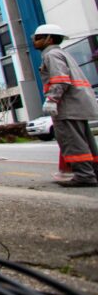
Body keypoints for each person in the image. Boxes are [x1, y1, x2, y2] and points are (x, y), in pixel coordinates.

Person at [33, 23, 98, 187]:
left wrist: (52, 99)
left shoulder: (52, 55)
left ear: (49, 39)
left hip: (67, 105)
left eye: (38, 38)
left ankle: (84, 175)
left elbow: (60, 79)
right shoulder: (62, 53)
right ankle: (93, 172)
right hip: (78, 103)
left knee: (72, 141)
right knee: (85, 141)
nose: (35, 41)